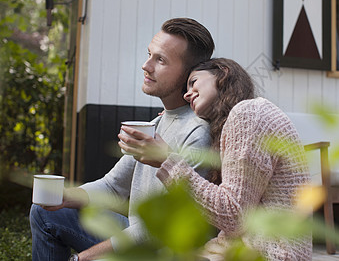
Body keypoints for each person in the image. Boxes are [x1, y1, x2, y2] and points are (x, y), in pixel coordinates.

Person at [29, 18, 215, 261]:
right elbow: (113, 186)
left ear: (189, 74)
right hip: (138, 233)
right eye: (150, 54)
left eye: (161, 60)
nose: (146, 66)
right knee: (45, 212)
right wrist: (67, 197)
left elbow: (159, 231)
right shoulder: (157, 123)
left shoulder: (197, 133)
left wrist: (82, 258)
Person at [119, 58, 312, 260]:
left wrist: (167, 160)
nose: (186, 94)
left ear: (223, 73)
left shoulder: (248, 113)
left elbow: (234, 216)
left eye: (193, 82)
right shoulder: (243, 119)